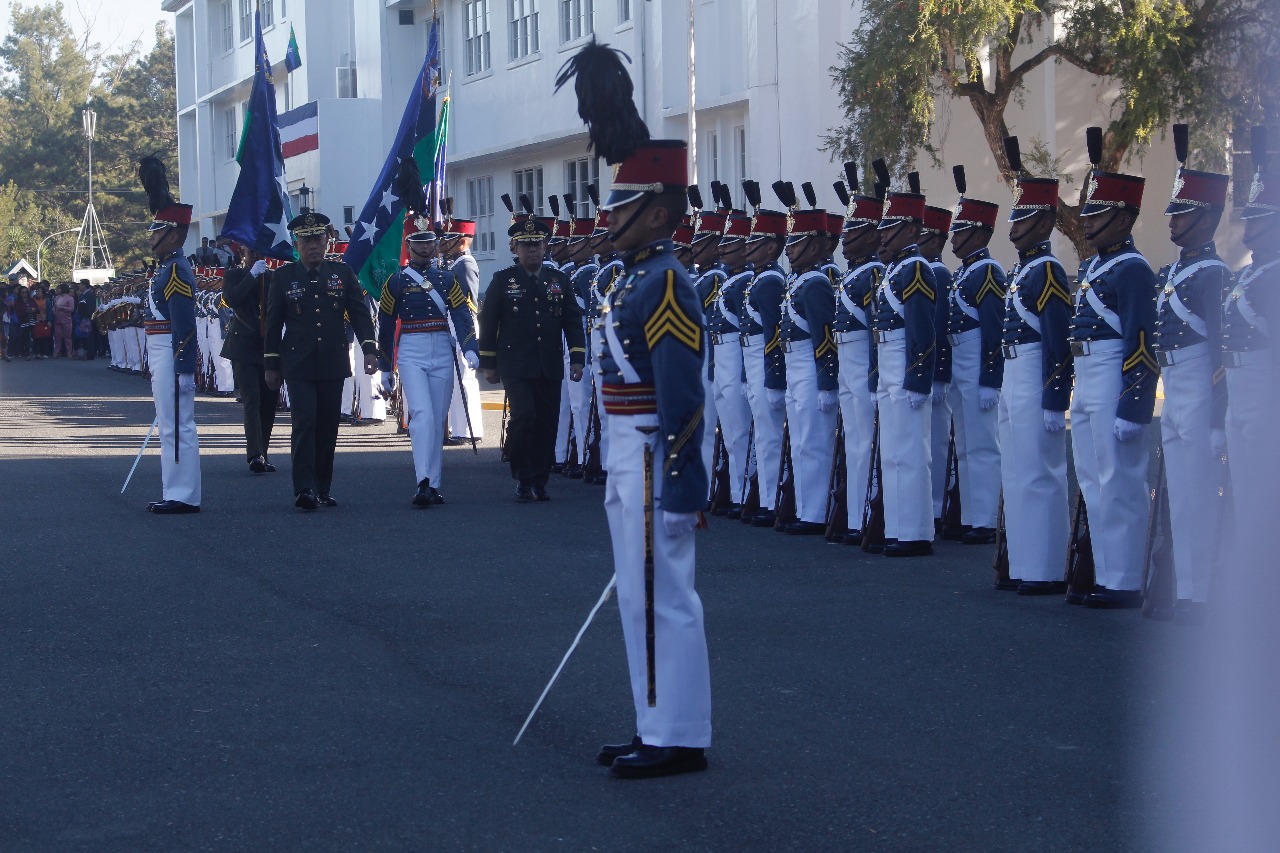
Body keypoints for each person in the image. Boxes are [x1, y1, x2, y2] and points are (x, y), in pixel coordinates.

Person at [559, 40, 711, 778]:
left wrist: (683, 484)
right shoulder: (626, 279)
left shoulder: (667, 283)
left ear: (657, 213)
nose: (607, 215)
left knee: (662, 592)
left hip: (654, 450)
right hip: (626, 448)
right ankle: (655, 721)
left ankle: (677, 733)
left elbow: (683, 394)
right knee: (637, 594)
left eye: (622, 205)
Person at [1067, 127, 1158, 609]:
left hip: (1111, 374)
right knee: (1091, 476)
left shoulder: (1134, 270)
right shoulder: (1096, 268)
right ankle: (1104, 571)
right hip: (1088, 376)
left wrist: (1134, 403)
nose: (1087, 222)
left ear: (1123, 217)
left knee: (1119, 480)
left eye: (1097, 213)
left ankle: (1124, 578)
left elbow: (1141, 343)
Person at [1151, 126, 1231, 618]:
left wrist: (1219, 418)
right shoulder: (1172, 273)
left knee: (1200, 495)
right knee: (1178, 496)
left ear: (1206, 218)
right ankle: (1182, 588)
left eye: (1182, 213)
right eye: (1173, 212)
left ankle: (1202, 593)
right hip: (1173, 386)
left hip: (1200, 387)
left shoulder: (1214, 275)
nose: (1172, 222)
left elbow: (1221, 352)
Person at [998, 136, 1074, 595]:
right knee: (1016, 470)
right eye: (1015, 217)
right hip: (1012, 372)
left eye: (1024, 218)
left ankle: (1045, 567)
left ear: (1044, 221)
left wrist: (1054, 396)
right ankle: (1024, 562)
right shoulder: (1023, 270)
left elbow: (1057, 340)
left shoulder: (1046, 271)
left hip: (1031, 371)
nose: (1014, 227)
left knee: (1039, 472)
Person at [264, 211, 379, 510]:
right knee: (305, 423)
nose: (313, 245)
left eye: (319, 239)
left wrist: (369, 349)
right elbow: (273, 323)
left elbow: (359, 313)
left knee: (328, 426)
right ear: (297, 245)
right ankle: (304, 488)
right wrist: (271, 365)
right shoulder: (284, 277)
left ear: (328, 242)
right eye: (306, 240)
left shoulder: (342, 274)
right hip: (298, 363)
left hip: (332, 361)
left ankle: (323, 487)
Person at [478, 217, 586, 501]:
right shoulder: (503, 280)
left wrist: (577, 357)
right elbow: (488, 321)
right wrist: (488, 363)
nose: (532, 251)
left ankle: (540, 479)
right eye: (525, 246)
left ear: (546, 246)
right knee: (524, 416)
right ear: (515, 248)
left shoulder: (559, 280)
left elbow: (572, 321)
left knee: (547, 422)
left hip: (549, 363)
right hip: (515, 363)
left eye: (537, 245)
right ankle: (523, 477)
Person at [378, 210, 479, 507]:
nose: (424, 248)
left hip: (442, 349)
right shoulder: (395, 282)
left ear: (435, 246)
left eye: (429, 243)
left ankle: (433, 484)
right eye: (418, 243)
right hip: (411, 348)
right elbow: (384, 326)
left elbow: (462, 314)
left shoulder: (448, 280)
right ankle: (422, 480)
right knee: (421, 414)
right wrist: (386, 365)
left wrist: (469, 346)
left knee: (436, 419)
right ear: (409, 246)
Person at [870, 164, 938, 557]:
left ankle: (914, 531)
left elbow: (921, 331)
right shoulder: (894, 269)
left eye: (890, 227)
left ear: (911, 231)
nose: (882, 234)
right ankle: (897, 527)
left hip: (905, 365)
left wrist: (917, 380)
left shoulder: (914, 268)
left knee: (911, 452)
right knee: (893, 452)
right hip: (889, 362)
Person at [1222, 126, 1279, 590]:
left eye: (1258, 219)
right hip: (1240, 389)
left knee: (1265, 485)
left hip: (1265, 387)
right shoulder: (1251, 271)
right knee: (1245, 486)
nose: (1248, 226)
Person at [945, 168, 1006, 544]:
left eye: (961, 231)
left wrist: (990, 378)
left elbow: (994, 331)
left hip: (975, 364)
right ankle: (970, 514)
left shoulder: (987, 272)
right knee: (966, 445)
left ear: (980, 234)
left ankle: (986, 518)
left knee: (983, 444)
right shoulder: (964, 273)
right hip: (959, 363)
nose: (954, 238)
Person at [137, 155, 201, 514]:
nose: (152, 236)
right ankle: (175, 489)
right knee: (169, 423)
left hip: (170, 349)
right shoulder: (164, 269)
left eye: (157, 230)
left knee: (177, 423)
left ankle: (181, 493)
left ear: (174, 235)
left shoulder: (176, 270)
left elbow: (185, 324)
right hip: (159, 348)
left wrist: (185, 367)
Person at [777, 200, 839, 535]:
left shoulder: (816, 283)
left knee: (815, 441)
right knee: (801, 441)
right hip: (794, 365)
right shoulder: (799, 281)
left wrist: (826, 382)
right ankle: (804, 507)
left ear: (814, 245)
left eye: (796, 242)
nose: (788, 250)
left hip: (808, 366)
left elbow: (824, 337)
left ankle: (816, 512)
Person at [832, 171, 885, 545]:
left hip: (865, 364)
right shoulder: (853, 275)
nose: (844, 238)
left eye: (853, 231)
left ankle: (871, 514)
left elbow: (876, 333)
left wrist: (874, 376)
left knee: (868, 440)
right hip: (847, 364)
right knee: (853, 440)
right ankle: (855, 516)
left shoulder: (874, 273)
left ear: (871, 234)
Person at [737, 197, 789, 527]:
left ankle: (773, 501)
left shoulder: (770, 281)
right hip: (752, 359)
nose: (747, 247)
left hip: (763, 360)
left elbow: (774, 333)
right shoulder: (759, 278)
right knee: (762, 436)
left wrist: (773, 377)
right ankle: (766, 498)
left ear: (771, 248)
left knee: (770, 437)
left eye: (756, 241)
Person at [221, 245, 280, 473]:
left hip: (269, 348)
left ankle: (263, 452)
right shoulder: (234, 275)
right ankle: (254, 454)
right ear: (243, 253)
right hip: (243, 346)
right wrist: (252, 275)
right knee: (252, 400)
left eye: (260, 252)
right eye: (252, 252)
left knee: (268, 403)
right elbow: (232, 299)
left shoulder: (273, 278)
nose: (257, 256)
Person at [442, 218, 485, 445]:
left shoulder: (465, 264)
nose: (445, 244)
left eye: (450, 240)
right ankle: (459, 428)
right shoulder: (455, 264)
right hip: (454, 322)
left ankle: (469, 429)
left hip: (463, 323)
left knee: (465, 377)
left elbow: (467, 302)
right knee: (457, 377)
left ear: (461, 242)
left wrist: (464, 331)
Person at [53, 283, 75, 357]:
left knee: (67, 338)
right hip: (57, 319)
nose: (58, 290)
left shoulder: (70, 298)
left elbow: (72, 309)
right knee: (57, 337)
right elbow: (54, 307)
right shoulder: (56, 298)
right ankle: (56, 351)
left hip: (66, 320)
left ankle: (69, 352)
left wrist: (64, 308)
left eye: (59, 288)